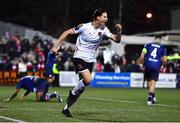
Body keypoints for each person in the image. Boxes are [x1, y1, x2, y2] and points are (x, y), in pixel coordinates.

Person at [51, 8, 122, 117]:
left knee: (82, 87)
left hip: (90, 60)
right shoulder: (84, 27)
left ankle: (67, 108)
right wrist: (55, 46)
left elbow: (116, 40)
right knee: (88, 80)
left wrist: (119, 32)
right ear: (98, 18)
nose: (107, 19)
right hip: (79, 57)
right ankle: (72, 92)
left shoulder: (104, 29)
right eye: (104, 17)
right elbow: (66, 33)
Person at [139, 35, 167, 106]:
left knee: (149, 82)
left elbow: (142, 56)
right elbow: (165, 60)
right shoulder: (163, 48)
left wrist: (141, 64)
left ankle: (153, 96)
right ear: (160, 40)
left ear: (154, 39)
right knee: (153, 83)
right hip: (156, 66)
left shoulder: (147, 45)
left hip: (147, 65)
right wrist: (162, 66)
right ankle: (149, 99)